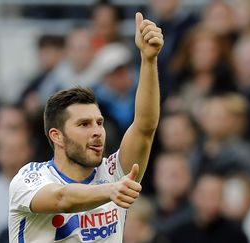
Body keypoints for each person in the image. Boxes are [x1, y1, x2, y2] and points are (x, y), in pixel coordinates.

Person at [8, 12, 163, 242]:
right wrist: (110, 191)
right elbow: (62, 198)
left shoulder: (114, 173)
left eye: (99, 122)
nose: (96, 131)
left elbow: (145, 126)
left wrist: (148, 60)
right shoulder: (30, 178)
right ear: (57, 136)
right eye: (84, 124)